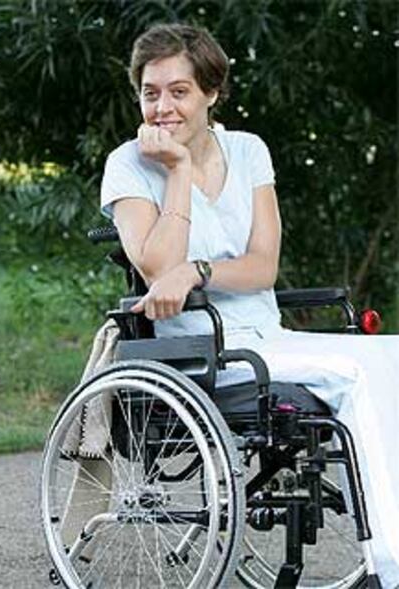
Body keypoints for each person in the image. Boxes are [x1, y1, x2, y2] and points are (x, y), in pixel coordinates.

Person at [98, 22, 399, 588]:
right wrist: (179, 172)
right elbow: (159, 270)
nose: (162, 107)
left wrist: (203, 269)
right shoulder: (128, 165)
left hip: (267, 334)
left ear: (211, 93)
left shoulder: (249, 151)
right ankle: (392, 563)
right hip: (198, 347)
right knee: (360, 373)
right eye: (150, 92)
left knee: (396, 354)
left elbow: (263, 267)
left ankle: (390, 536)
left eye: (179, 91)